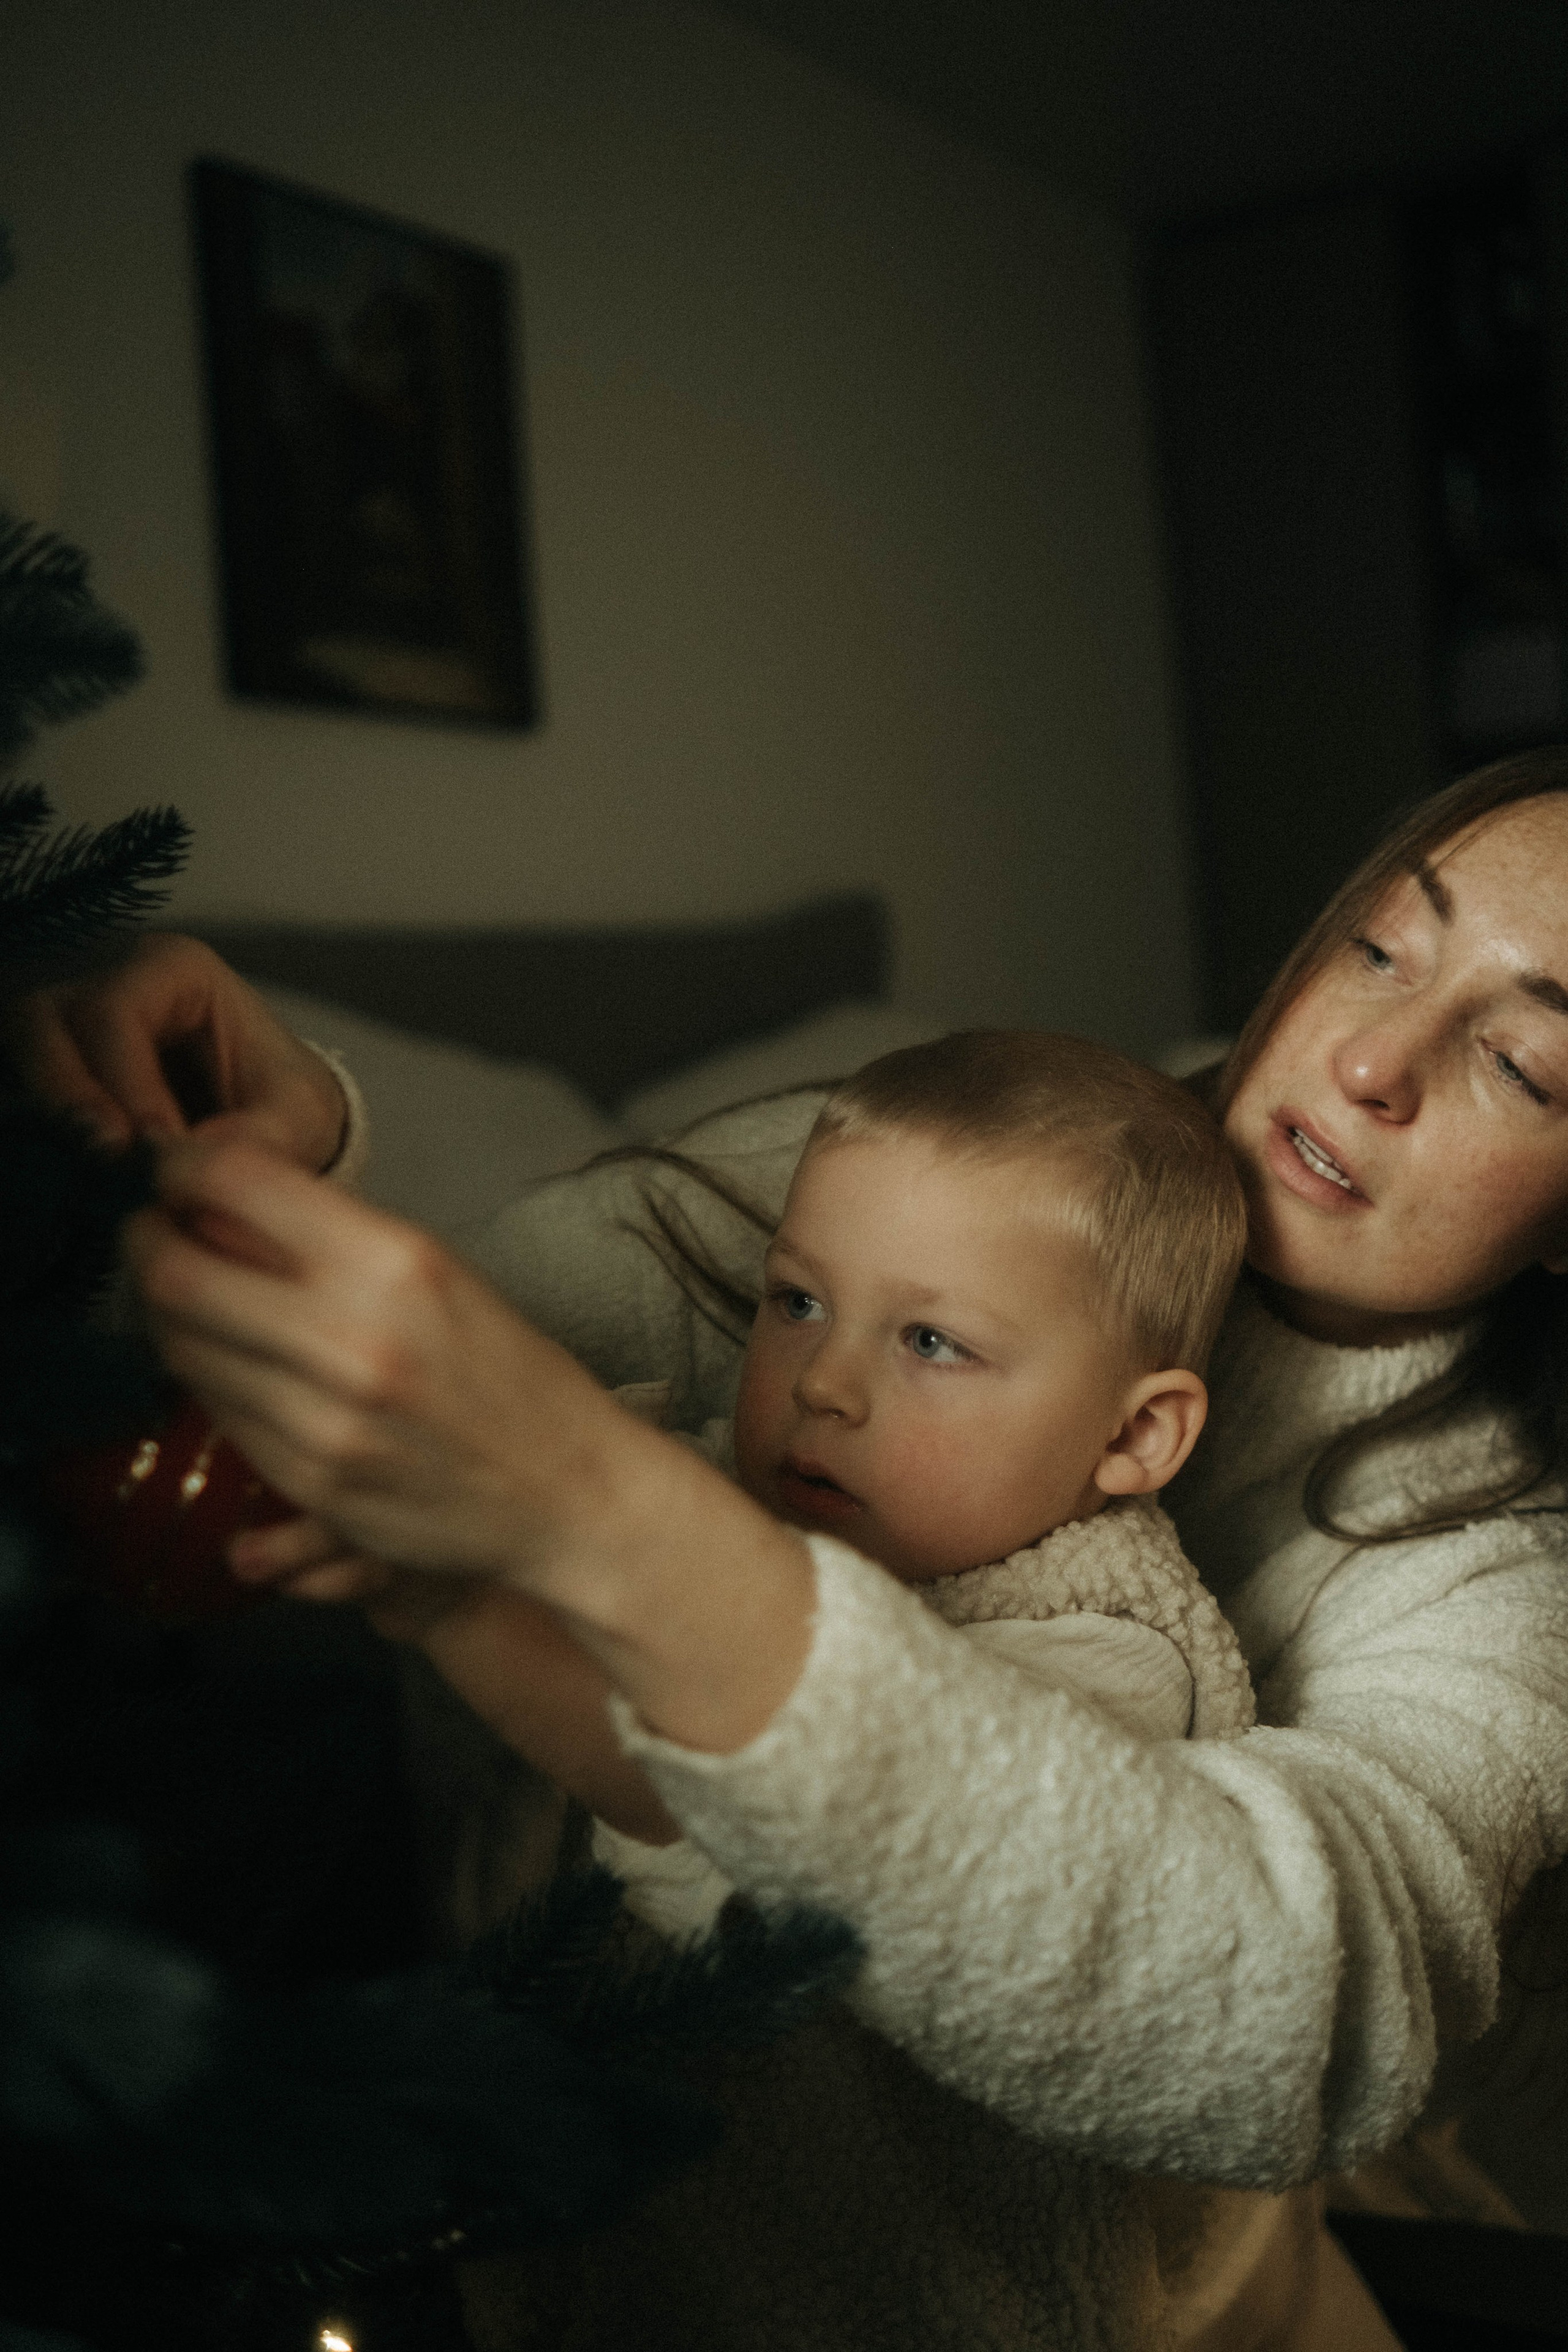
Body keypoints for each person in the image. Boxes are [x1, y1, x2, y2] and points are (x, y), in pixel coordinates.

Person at [15, 750, 1568, 2350]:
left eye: (1518, 1063)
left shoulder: (1495, 1577)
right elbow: (498, 1320)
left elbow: (1290, 2018)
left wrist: (594, 1523)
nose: (1375, 1060)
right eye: (1380, 946)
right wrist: (268, 1141)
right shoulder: (988, 1145)